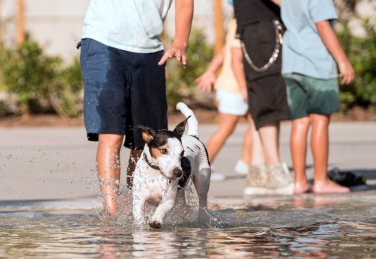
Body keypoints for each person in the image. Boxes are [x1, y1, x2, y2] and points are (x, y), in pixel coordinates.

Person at [79, 0, 194, 219]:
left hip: (150, 51)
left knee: (144, 142)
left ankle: (135, 206)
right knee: (111, 133)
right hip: (103, 42)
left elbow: (184, 3)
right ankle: (111, 212)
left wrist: (180, 40)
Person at [279, 0, 354, 194]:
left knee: (300, 121)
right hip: (316, 63)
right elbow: (322, 25)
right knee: (320, 119)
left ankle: (300, 181)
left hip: (291, 63)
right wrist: (343, 60)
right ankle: (321, 180)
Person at [233, 0, 293, 195]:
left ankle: (258, 173)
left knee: (260, 98)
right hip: (262, 28)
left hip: (255, 27)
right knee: (268, 96)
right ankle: (274, 170)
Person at [195, 18, 252, 181]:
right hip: (233, 86)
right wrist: (243, 87)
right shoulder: (241, 21)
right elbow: (234, 59)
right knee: (227, 127)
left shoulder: (237, 21)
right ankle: (204, 166)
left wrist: (211, 71)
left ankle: (247, 162)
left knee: (257, 122)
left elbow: (224, 51)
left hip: (237, 85)